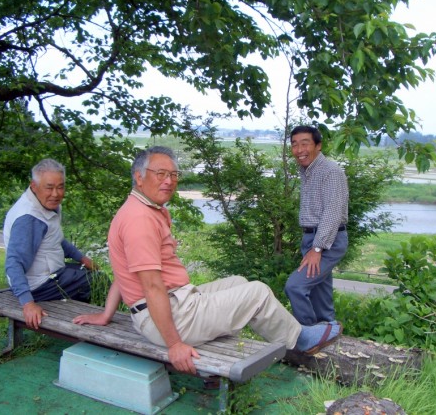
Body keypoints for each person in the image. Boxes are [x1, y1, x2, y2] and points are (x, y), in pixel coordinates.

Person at [99, 146, 342, 375]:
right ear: (139, 177)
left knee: (238, 282)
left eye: (174, 174)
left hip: (170, 306)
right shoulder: (139, 219)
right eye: (160, 173)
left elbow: (124, 274)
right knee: (257, 293)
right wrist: (174, 345)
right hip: (169, 317)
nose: (169, 180)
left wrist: (105, 315)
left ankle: (268, 332)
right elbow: (151, 286)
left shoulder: (145, 209)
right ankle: (299, 340)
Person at [4, 158, 99, 330]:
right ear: (34, 186)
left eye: (60, 187)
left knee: (86, 270)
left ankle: (75, 316)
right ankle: (80, 326)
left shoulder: (46, 204)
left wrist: (81, 258)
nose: (56, 194)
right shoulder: (29, 219)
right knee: (97, 280)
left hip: (50, 273)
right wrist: (28, 303)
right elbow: (13, 263)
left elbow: (55, 238)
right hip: (38, 285)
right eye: (49, 187)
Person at [285, 126, 348, 326]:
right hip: (313, 237)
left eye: (305, 143)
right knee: (320, 292)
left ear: (318, 146)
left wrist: (317, 248)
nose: (299, 149)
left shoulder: (330, 172)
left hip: (327, 240)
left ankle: (308, 332)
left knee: (295, 286)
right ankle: (327, 327)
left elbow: (333, 212)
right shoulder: (307, 171)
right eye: (295, 144)